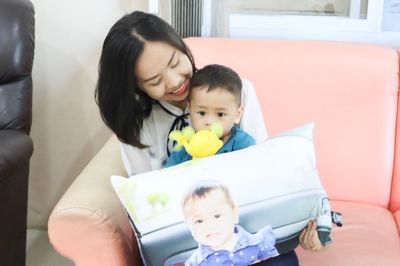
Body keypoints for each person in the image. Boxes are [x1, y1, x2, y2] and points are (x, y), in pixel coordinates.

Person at [95, 10, 323, 266]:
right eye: (155, 80)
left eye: (174, 62)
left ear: (181, 46)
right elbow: (147, 201)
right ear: (137, 87)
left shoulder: (236, 90)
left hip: (243, 229)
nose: (174, 82)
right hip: (191, 241)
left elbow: (262, 168)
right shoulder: (138, 126)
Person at [165, 64, 255, 167]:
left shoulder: (242, 143)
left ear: (237, 114)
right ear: (189, 111)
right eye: (202, 113)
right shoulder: (185, 146)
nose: (209, 121)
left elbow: (252, 173)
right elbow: (168, 176)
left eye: (220, 114)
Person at [182, 180, 279, 266]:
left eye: (217, 216)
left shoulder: (258, 243)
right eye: (199, 221)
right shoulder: (195, 263)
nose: (209, 226)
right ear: (190, 227)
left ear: (234, 215)